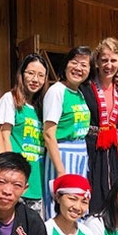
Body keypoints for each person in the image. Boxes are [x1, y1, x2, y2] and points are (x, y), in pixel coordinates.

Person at [42, 46, 92, 219]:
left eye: (84, 65)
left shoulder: (79, 93)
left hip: (79, 155)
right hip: (62, 155)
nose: (79, 68)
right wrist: (61, 171)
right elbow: (49, 133)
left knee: (77, 203)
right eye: (75, 62)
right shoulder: (57, 91)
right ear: (66, 65)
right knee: (61, 205)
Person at [0, 53, 48, 216]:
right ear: (21, 74)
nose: (35, 79)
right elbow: (5, 136)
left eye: (40, 75)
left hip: (37, 184)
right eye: (30, 73)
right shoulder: (10, 99)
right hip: (16, 182)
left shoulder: (42, 107)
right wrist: (11, 172)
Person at [80, 38, 118, 213]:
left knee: (112, 190)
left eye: (113, 60)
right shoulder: (86, 87)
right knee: (93, 190)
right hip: (90, 146)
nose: (109, 65)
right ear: (97, 62)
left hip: (112, 147)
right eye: (104, 60)